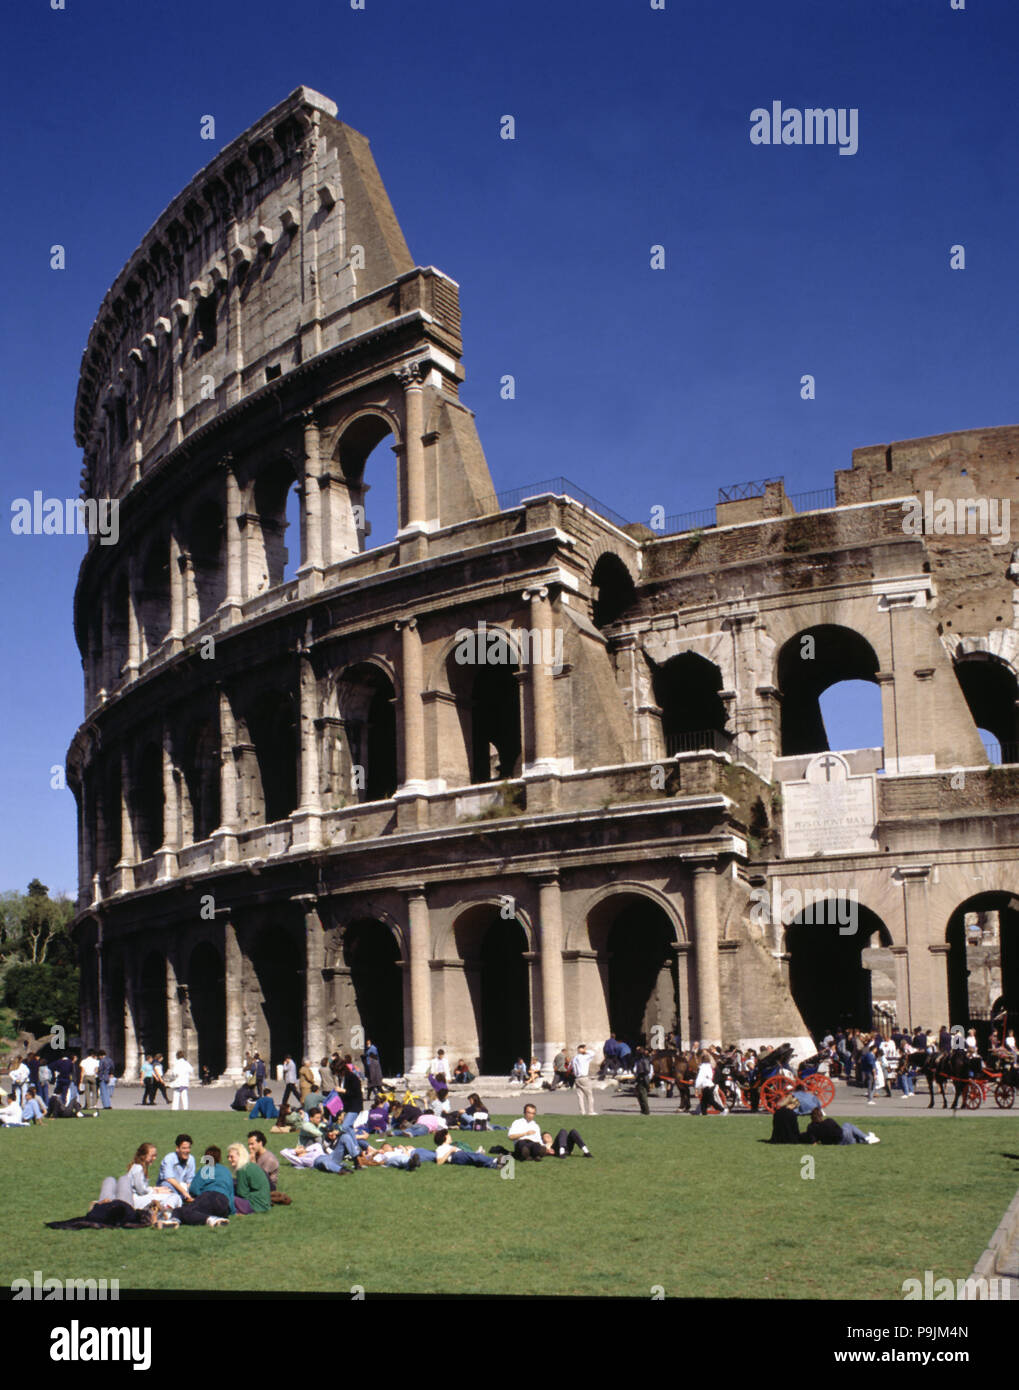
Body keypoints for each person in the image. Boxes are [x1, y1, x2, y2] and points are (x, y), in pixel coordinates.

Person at [185, 1146, 235, 1219]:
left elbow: (193, 1189)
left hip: (208, 1197)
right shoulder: (226, 1171)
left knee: (186, 1212)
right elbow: (231, 1193)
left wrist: (200, 1196)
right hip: (224, 1203)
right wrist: (233, 1211)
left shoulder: (205, 1169)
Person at [228, 1142, 272, 1212]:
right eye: (228, 1157)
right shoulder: (250, 1165)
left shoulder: (242, 1170)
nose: (229, 1159)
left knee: (226, 1198)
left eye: (231, 1157)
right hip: (265, 1202)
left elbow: (242, 1193)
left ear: (240, 1156)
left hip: (256, 1204)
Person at [433, 1127, 507, 1168]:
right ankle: (495, 1160)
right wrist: (450, 1151)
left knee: (476, 1162)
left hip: (460, 1155)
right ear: (445, 1137)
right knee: (476, 1157)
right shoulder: (440, 1148)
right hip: (456, 1156)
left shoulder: (449, 1146)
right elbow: (439, 1162)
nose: (450, 1136)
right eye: (449, 1135)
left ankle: (496, 1166)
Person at [806, 1110, 879, 1145]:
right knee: (847, 1124)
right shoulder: (829, 1121)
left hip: (837, 1143)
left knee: (854, 1139)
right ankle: (866, 1137)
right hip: (842, 1135)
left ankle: (865, 1139)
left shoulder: (811, 1127)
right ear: (821, 1116)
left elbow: (813, 1142)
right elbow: (839, 1129)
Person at [159, 1134, 196, 1201]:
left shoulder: (191, 1159)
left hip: (182, 1186)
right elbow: (169, 1179)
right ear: (177, 1149)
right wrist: (184, 1193)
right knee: (167, 1185)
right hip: (168, 1187)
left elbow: (189, 1181)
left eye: (189, 1148)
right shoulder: (169, 1158)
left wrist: (189, 1192)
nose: (187, 1151)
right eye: (184, 1148)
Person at [571, 1043, 596, 1115]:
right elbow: (592, 1054)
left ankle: (582, 1111)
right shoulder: (584, 1057)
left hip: (577, 1078)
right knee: (589, 1095)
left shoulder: (574, 1058)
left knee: (580, 1096)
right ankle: (591, 1111)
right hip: (584, 1077)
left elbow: (571, 1067)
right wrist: (585, 1051)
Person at [634, 1047, 655, 1115]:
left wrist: (641, 1073)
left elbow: (647, 1070)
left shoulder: (644, 1060)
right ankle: (643, 1110)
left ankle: (646, 1110)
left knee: (643, 1095)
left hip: (643, 1078)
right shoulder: (640, 1060)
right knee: (640, 1095)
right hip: (640, 1077)